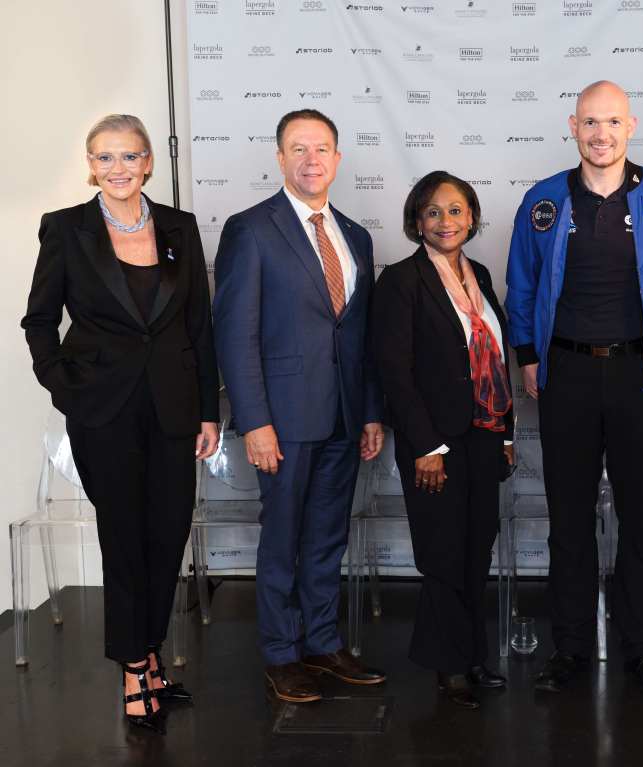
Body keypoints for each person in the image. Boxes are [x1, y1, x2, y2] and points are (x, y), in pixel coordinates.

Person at [22, 114, 220, 733]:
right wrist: (67, 391)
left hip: (174, 407)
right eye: (104, 158)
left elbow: (198, 325)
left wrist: (210, 408)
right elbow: (38, 321)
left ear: (147, 163)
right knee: (124, 537)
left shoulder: (179, 228)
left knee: (166, 537)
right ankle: (133, 666)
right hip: (102, 411)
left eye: (129, 156)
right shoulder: (66, 230)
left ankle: (152, 652)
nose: (117, 169)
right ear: (90, 164)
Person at [505, 80, 643, 697]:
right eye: (590, 122)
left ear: (631, 126)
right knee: (568, 517)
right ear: (573, 126)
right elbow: (523, 286)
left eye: (612, 122)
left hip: (642, 375)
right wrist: (530, 359)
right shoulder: (543, 201)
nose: (601, 134)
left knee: (642, 518)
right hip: (567, 376)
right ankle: (571, 648)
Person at [213, 109, 386, 704]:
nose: (311, 159)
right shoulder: (251, 229)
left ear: (337, 159)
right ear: (280, 157)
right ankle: (282, 654)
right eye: (298, 148)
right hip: (281, 421)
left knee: (326, 538)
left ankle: (321, 643)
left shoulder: (356, 236)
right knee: (283, 538)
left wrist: (368, 412)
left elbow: (358, 337)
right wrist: (255, 421)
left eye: (322, 149)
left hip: (342, 416)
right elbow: (236, 335)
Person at [372, 171, 515, 710]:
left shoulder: (477, 273)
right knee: (443, 553)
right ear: (415, 222)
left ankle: (472, 655)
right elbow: (395, 371)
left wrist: (504, 432)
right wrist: (426, 446)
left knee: (477, 549)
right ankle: (447, 666)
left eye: (455, 210)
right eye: (433, 212)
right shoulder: (402, 282)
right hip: (435, 444)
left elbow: (495, 357)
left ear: (472, 217)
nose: (445, 221)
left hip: (483, 436)